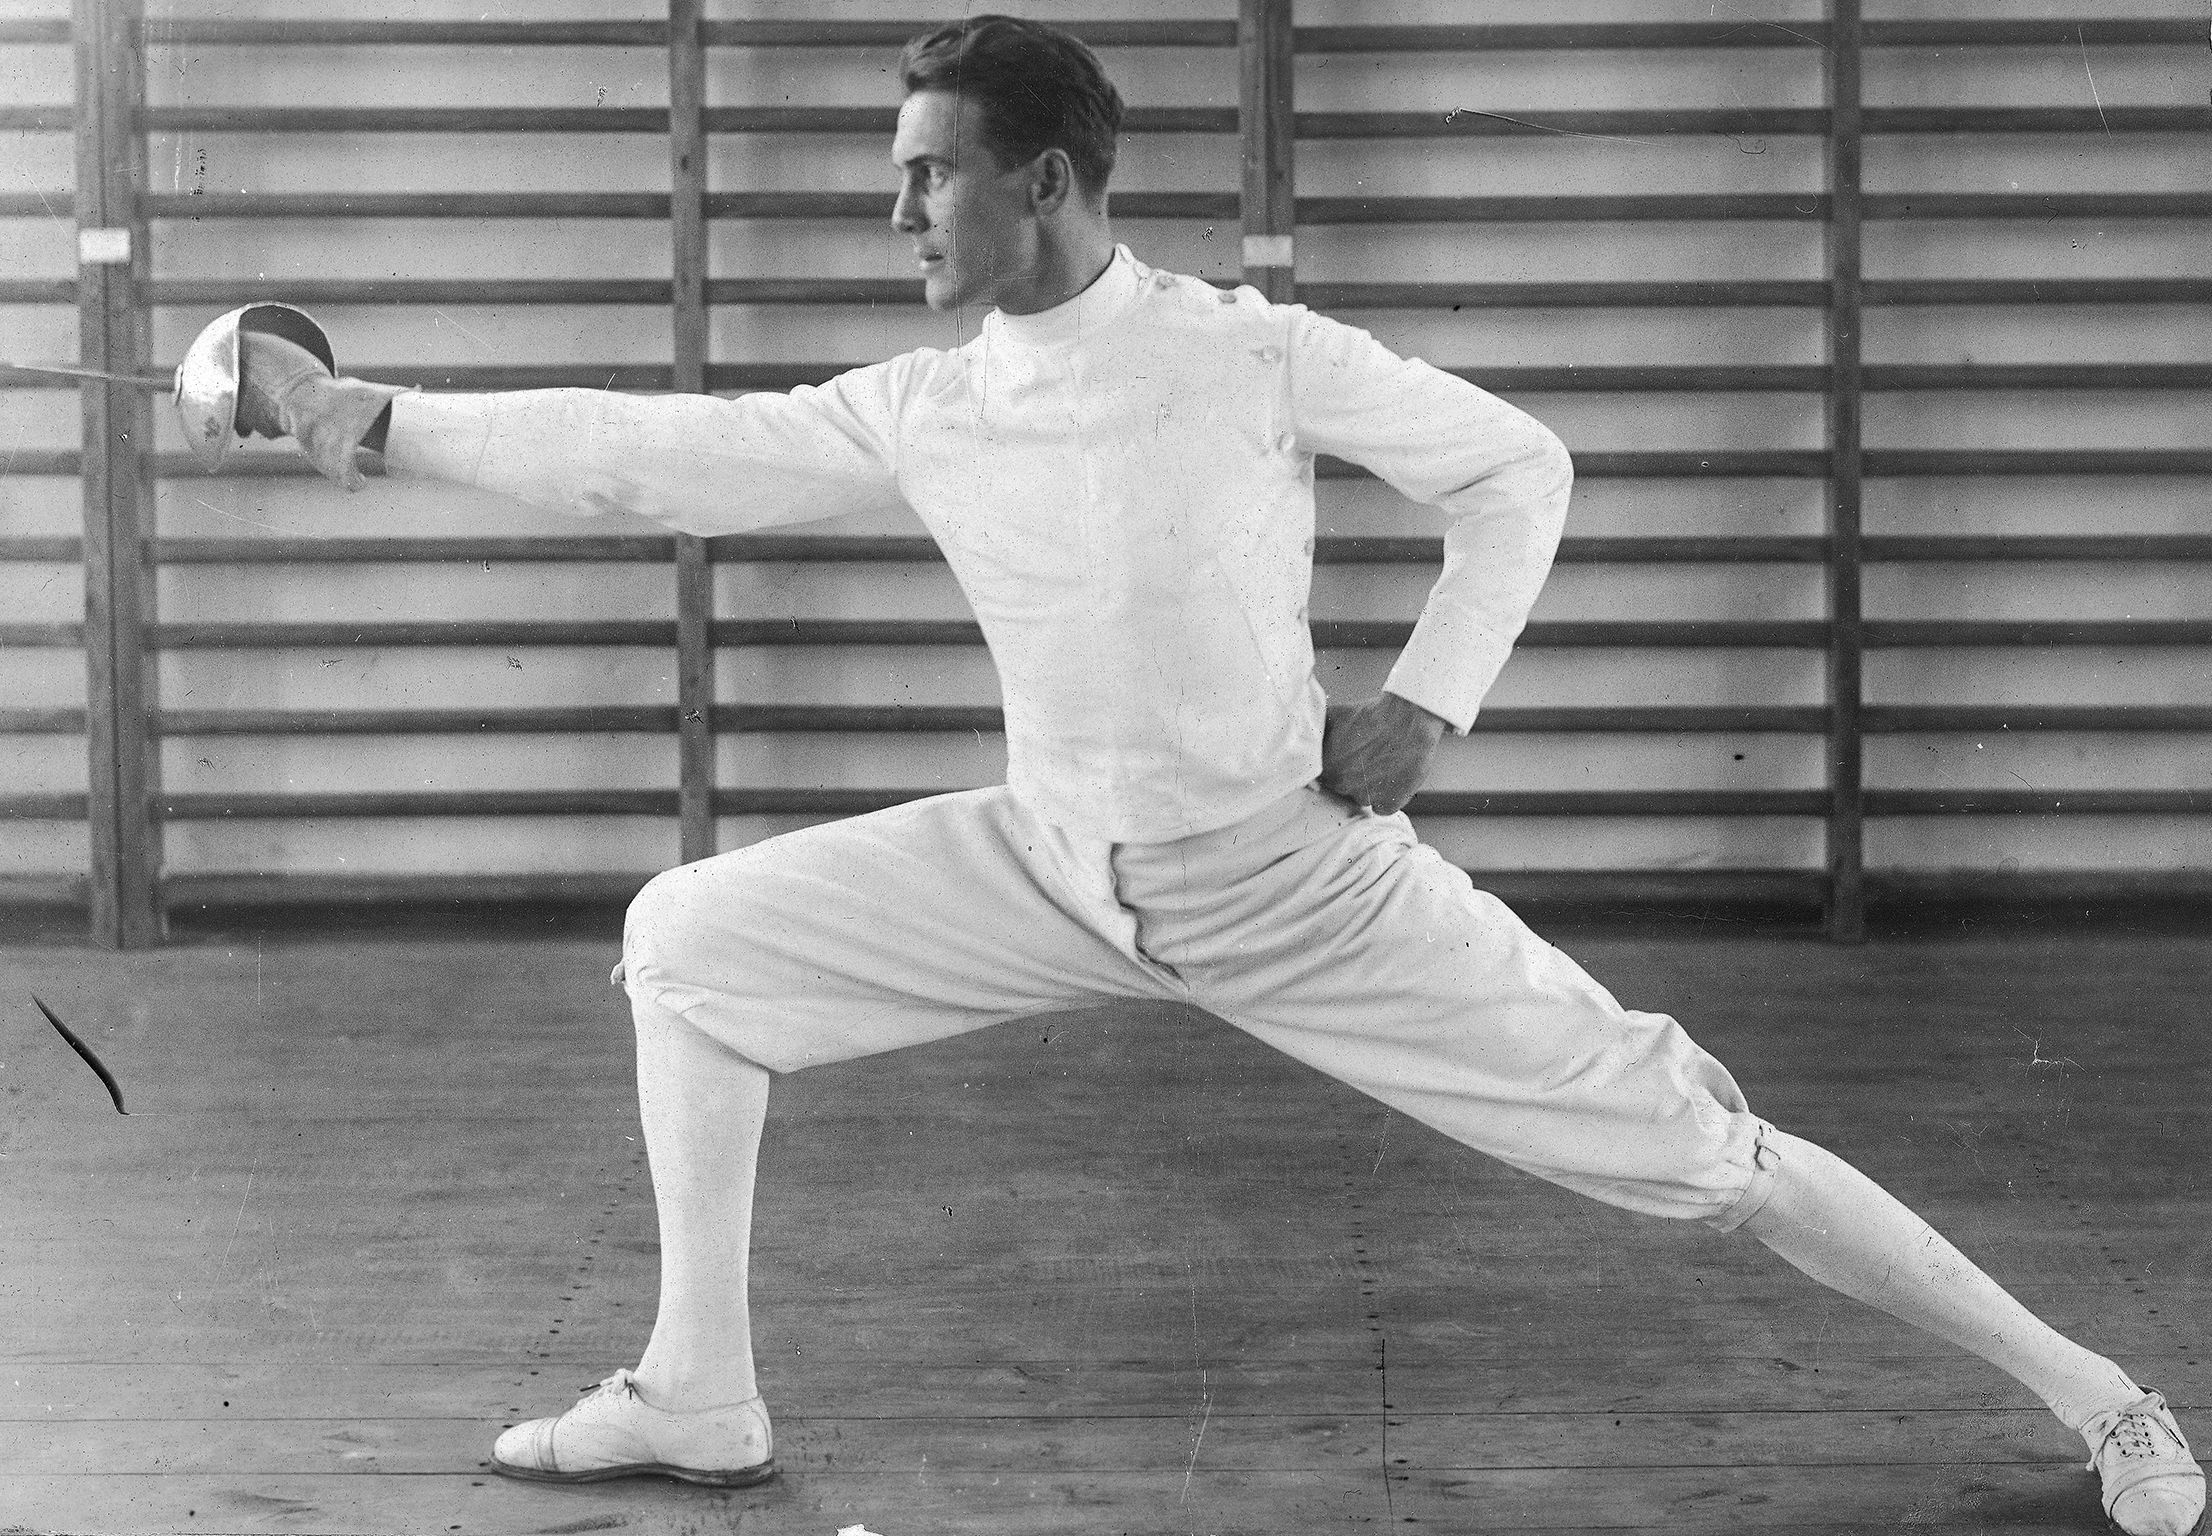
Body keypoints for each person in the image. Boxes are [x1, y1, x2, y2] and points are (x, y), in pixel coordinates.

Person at [234, 16, 2202, 1531]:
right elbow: (649, 458)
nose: (896, 215)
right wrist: (369, 418)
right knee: (691, 940)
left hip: (1296, 886)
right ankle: (696, 1393)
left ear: (1050, 181)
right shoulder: (922, 404)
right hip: (1047, 869)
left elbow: (1517, 468)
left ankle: (2100, 1396)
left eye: (928, 176)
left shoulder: (1249, 356)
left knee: (1701, 1155)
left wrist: (1429, 702)